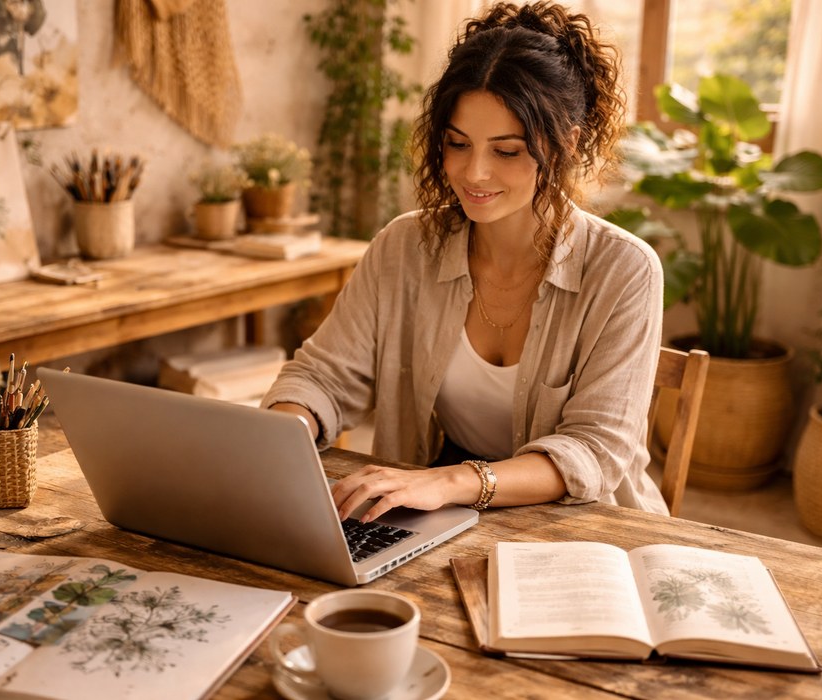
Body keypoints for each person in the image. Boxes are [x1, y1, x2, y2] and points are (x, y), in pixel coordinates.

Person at [263, 1, 668, 521]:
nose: (474, 173)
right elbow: (323, 376)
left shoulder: (625, 270)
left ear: (566, 143)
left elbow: (594, 449)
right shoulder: (403, 247)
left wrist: (452, 481)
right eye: (458, 144)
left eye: (506, 151)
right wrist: (282, 432)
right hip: (439, 510)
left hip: (583, 527)